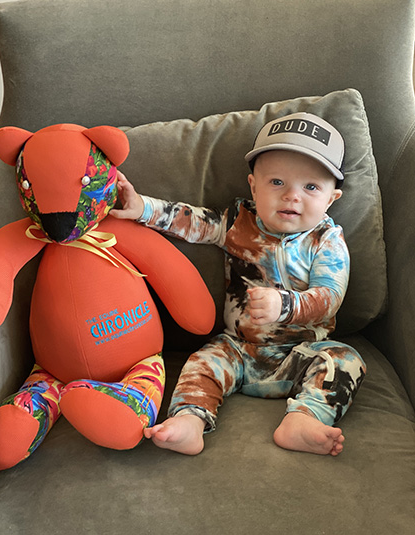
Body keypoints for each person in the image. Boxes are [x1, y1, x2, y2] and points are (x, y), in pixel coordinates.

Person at [110, 112, 366, 457]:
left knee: (345, 359)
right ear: (253, 185)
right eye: (277, 182)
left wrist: (284, 305)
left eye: (310, 187)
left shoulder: (326, 241)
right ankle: (189, 420)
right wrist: (143, 208)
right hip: (238, 350)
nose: (292, 196)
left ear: (331, 198)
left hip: (300, 354)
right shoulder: (238, 222)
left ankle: (305, 418)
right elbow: (193, 221)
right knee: (202, 362)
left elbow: (330, 297)